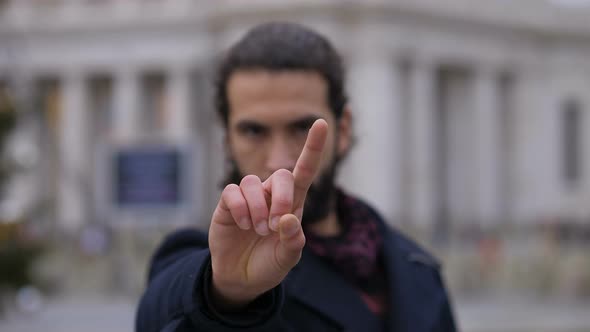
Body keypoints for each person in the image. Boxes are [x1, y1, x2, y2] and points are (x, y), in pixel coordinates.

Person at [136, 22, 457, 332]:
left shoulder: (417, 268)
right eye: (253, 131)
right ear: (227, 143)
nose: (279, 162)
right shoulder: (202, 262)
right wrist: (223, 292)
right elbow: (158, 314)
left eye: (301, 128)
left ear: (343, 130)